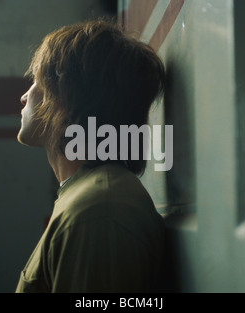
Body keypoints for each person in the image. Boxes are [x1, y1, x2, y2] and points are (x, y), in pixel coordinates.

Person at [15, 20, 166, 293]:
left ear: (64, 95)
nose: (24, 96)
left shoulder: (98, 211)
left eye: (37, 81)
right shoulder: (90, 196)